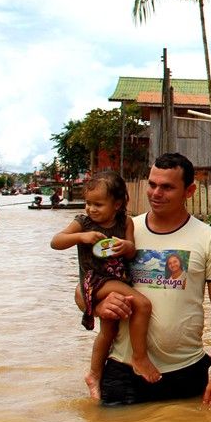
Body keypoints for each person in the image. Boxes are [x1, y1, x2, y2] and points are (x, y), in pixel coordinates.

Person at [84, 152, 211, 406]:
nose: (156, 193)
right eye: (152, 184)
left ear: (189, 191)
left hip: (187, 371)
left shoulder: (209, 239)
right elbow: (84, 286)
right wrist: (98, 306)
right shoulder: (123, 231)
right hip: (124, 371)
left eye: (167, 187)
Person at [52, 171, 161, 400]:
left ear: (117, 204)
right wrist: (80, 237)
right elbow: (56, 242)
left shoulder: (125, 222)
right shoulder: (83, 223)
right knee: (143, 305)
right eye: (88, 203)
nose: (91, 209)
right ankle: (139, 358)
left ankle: (94, 373)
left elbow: (131, 251)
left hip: (117, 280)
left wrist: (125, 246)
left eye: (98, 204)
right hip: (95, 282)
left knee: (109, 331)